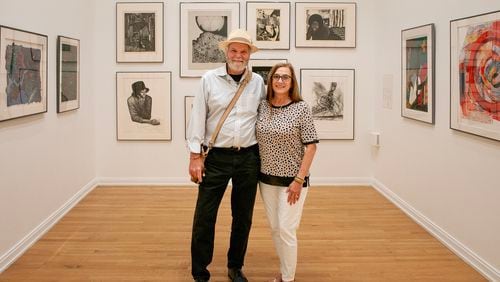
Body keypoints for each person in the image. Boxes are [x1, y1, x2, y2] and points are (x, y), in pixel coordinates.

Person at [187, 29, 266, 282]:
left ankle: (235, 266)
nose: (238, 55)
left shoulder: (258, 83)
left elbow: (262, 118)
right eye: (234, 50)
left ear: (249, 55)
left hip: (248, 157)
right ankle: (200, 272)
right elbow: (197, 117)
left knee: (243, 216)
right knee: (204, 216)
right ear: (226, 51)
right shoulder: (209, 79)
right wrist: (195, 156)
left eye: (244, 51)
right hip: (216, 158)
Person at [256, 63, 319, 282]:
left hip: (293, 181)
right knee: (275, 228)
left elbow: (311, 146)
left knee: (287, 229)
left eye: (286, 77)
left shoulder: (301, 108)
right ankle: (285, 271)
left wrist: (299, 180)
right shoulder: (263, 106)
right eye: (277, 76)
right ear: (270, 80)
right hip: (266, 180)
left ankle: (288, 278)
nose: (280, 81)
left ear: (292, 82)